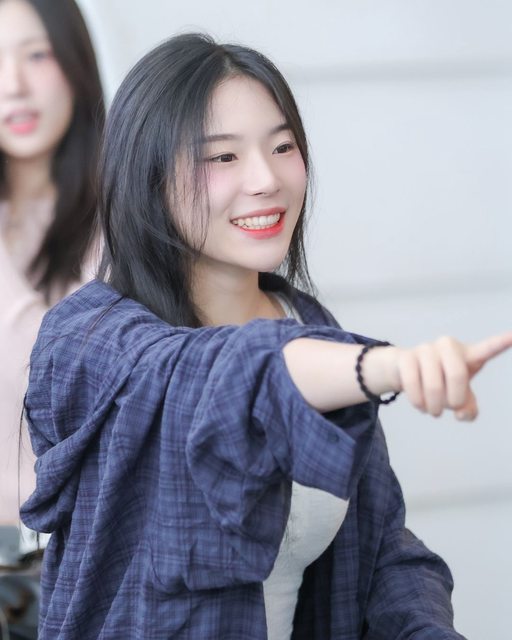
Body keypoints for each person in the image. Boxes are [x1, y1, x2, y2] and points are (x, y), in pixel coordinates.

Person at [20, 33, 511, 639]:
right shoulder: (89, 338)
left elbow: (381, 547)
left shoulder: (308, 323)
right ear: (147, 175)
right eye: (222, 157)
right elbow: (208, 376)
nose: (266, 179)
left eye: (282, 147)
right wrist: (382, 367)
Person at [0, 0, 104, 636]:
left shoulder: (136, 223)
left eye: (36, 55)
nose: (13, 84)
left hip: (100, 575)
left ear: (75, 61)